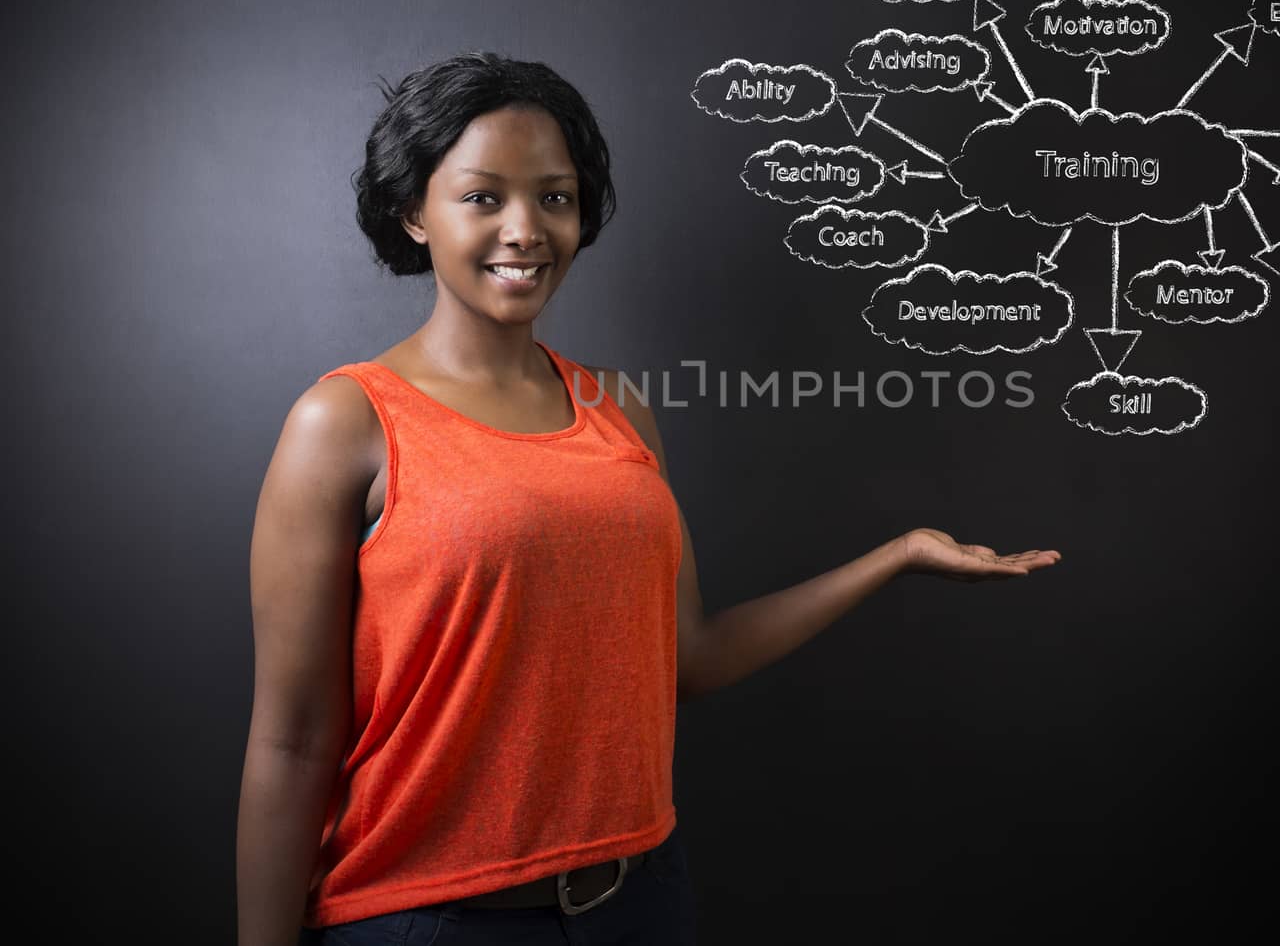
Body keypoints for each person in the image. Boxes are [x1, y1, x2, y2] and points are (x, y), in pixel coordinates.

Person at [236, 51, 1060, 946]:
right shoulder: (347, 419)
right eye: (483, 197)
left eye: (554, 197)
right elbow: (292, 743)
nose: (526, 229)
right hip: (429, 922)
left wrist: (896, 555)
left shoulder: (617, 409)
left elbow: (689, 658)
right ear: (414, 215)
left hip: (640, 904)